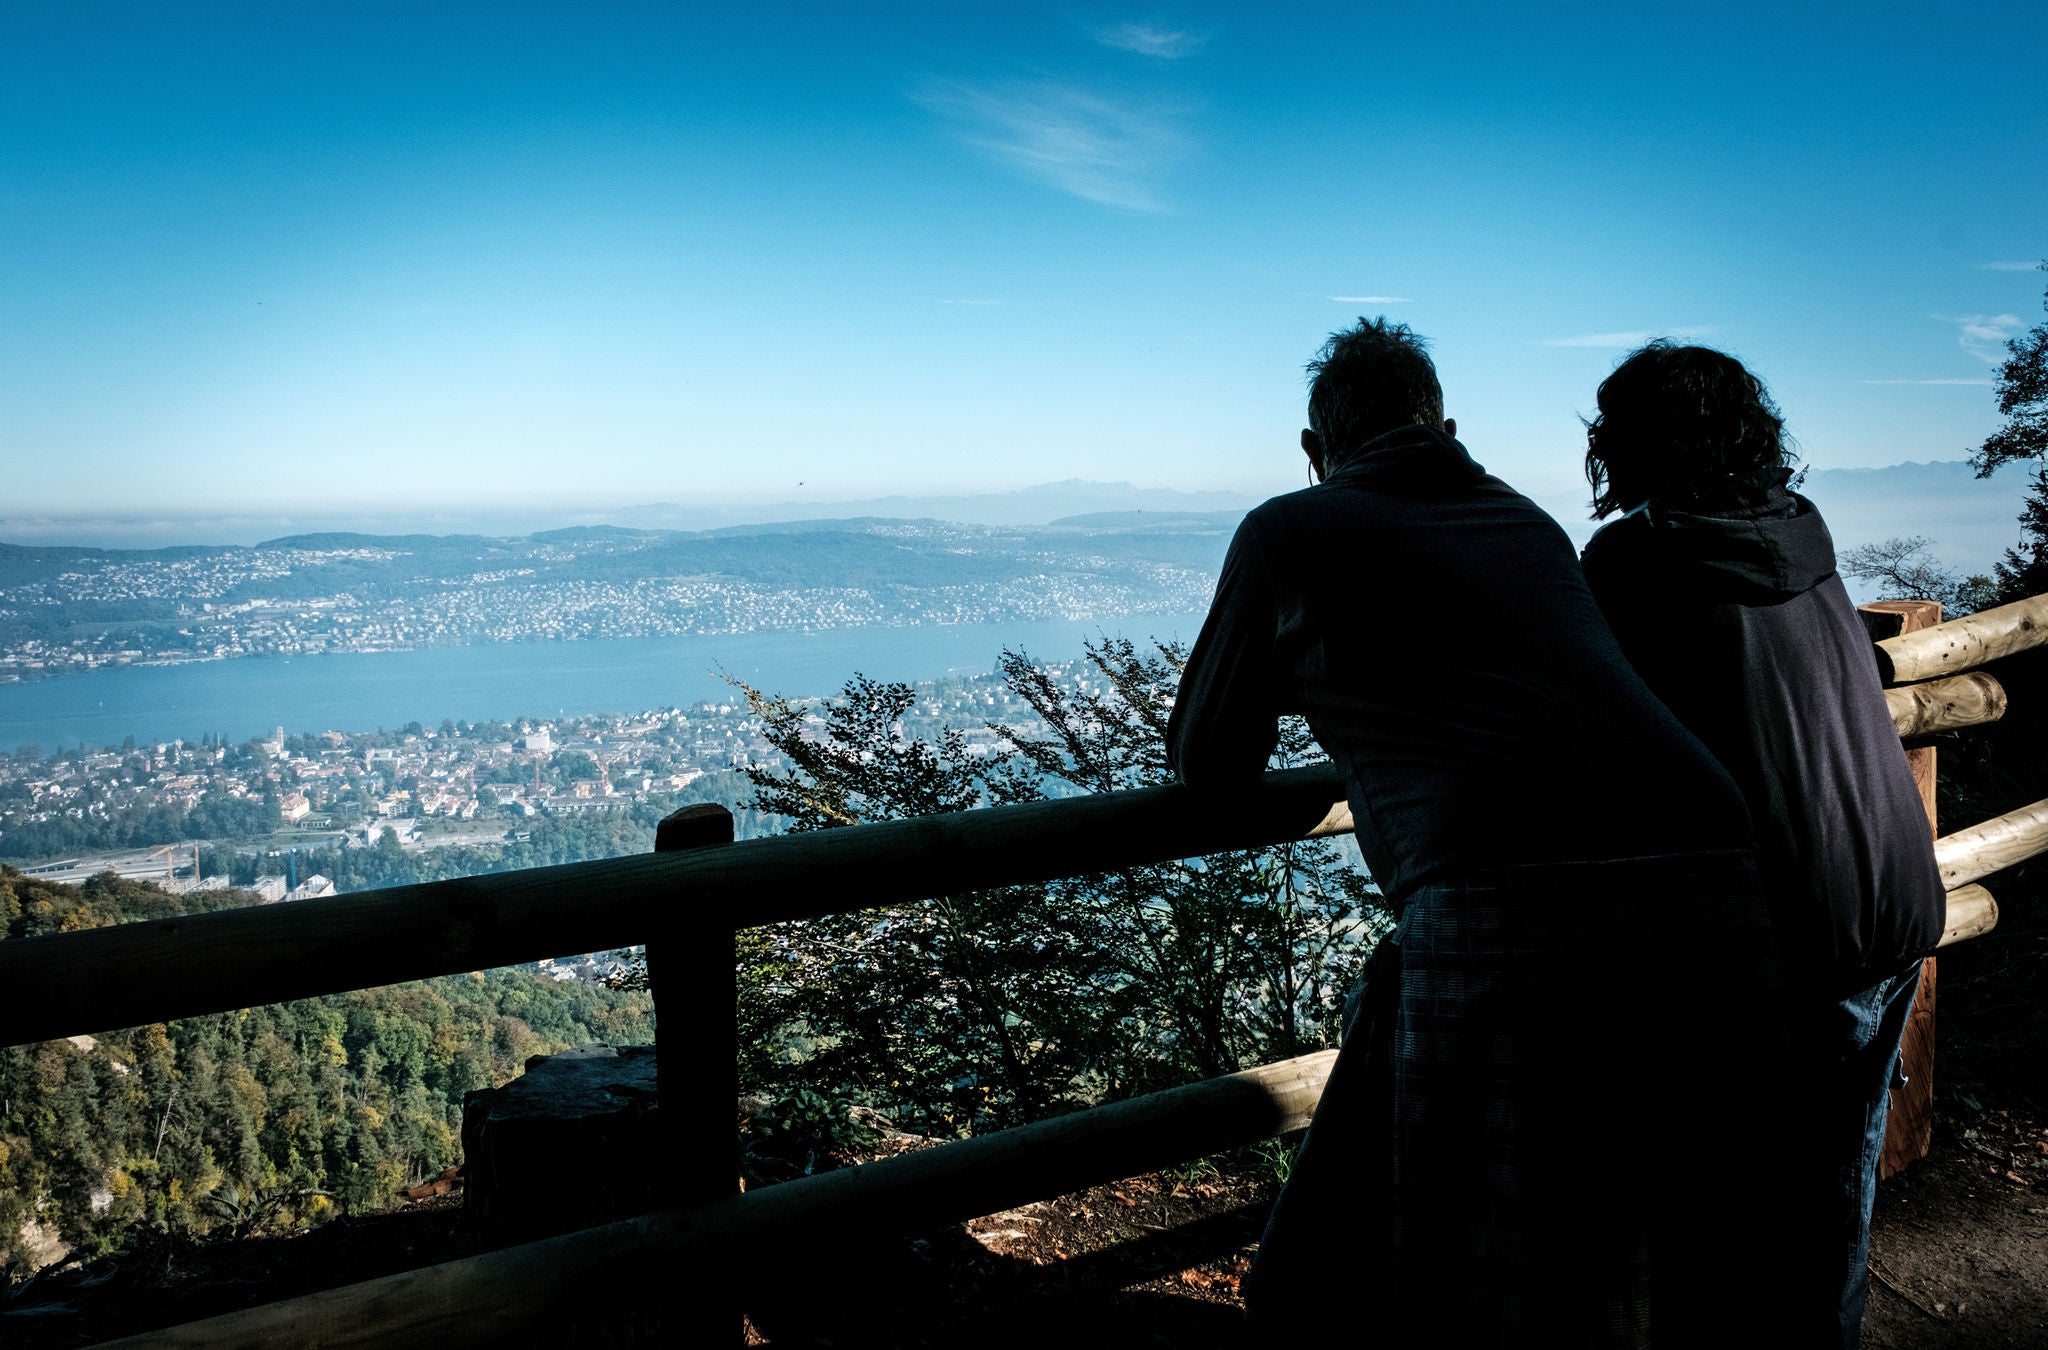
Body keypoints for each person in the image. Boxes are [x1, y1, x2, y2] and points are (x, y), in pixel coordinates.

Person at [1168, 318, 1793, 1347]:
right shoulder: (1527, 523)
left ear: (1313, 452)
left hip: (1506, 901)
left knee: (1496, 1276)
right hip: (1715, 873)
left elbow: (1204, 760)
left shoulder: (1288, 530)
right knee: (1674, 1238)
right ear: (1447, 428)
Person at [1578, 341, 1947, 1349]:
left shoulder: (1634, 563)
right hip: (1893, 898)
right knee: (1833, 1180)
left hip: (1785, 924)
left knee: (1719, 1199)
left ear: (1623, 443)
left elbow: (1590, 733)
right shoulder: (1799, 536)